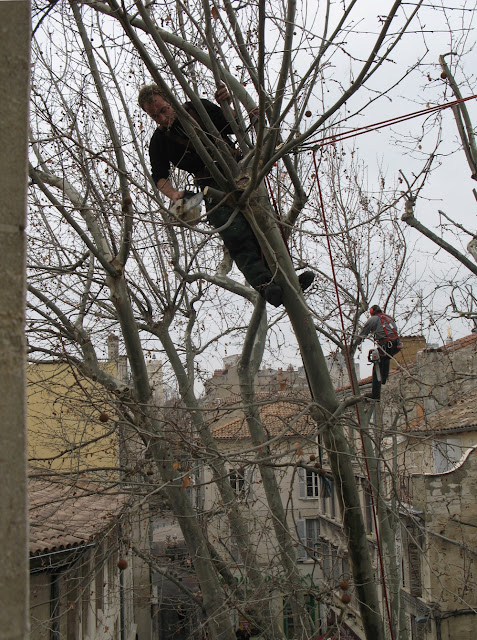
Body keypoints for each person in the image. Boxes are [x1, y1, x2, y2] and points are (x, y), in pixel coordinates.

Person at [138, 84, 314, 307]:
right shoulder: (159, 141)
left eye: (163, 110)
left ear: (170, 100)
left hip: (239, 172)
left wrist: (227, 104)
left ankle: (289, 281)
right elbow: (160, 177)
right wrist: (174, 195)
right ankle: (265, 285)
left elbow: (233, 125)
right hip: (211, 187)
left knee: (268, 226)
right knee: (236, 234)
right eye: (155, 116)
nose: (162, 118)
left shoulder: (198, 108)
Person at [357, 304, 402, 399]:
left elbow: (362, 334)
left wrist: (355, 343)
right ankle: (384, 380)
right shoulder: (388, 318)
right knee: (385, 359)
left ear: (372, 312)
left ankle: (375, 394)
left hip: (386, 345)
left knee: (376, 366)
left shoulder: (373, 320)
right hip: (396, 345)